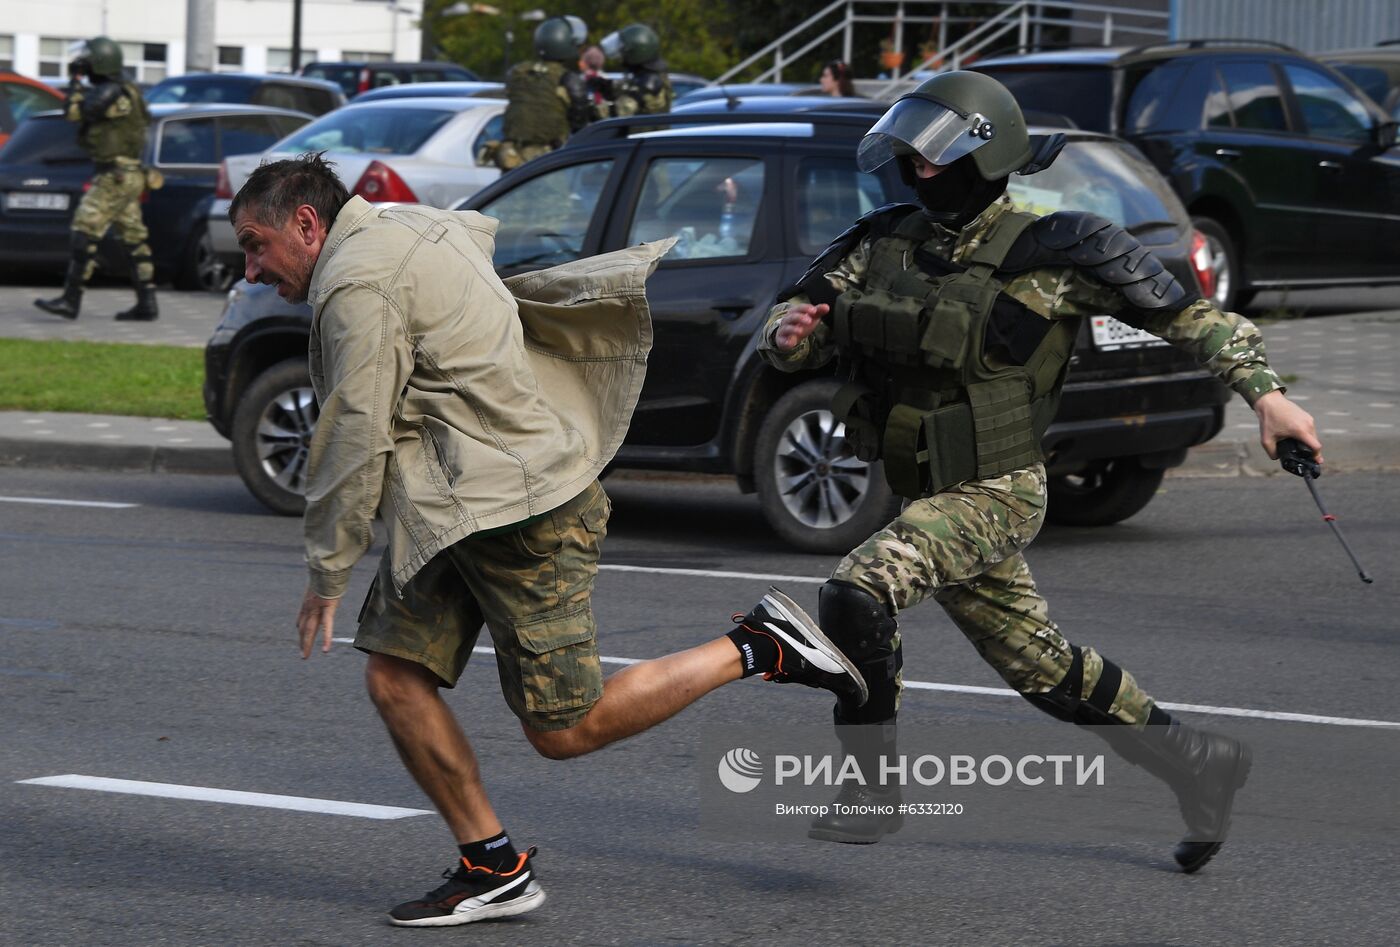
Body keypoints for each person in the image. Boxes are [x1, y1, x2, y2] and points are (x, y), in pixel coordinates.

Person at [228, 153, 865, 927]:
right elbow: (478, 236)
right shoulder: (405, 223)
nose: (252, 267)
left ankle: (756, 645)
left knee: (564, 729)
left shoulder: (356, 282)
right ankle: (491, 866)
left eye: (256, 244)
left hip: (520, 511)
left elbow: (353, 432)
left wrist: (326, 572)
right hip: (454, 506)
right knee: (395, 677)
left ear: (306, 223)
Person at [760, 71, 1322, 872]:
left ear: (982, 159)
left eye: (932, 160)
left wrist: (1269, 399)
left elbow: (1191, 319)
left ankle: (872, 786)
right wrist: (791, 336)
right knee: (1044, 670)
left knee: (856, 589)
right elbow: (795, 330)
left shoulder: (1056, 248)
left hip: (997, 487)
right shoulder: (884, 240)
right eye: (911, 160)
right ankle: (1196, 759)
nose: (919, 174)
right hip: (927, 483)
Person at [35, 36, 159, 322]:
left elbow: (75, 113)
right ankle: (147, 303)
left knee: (84, 230)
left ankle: (70, 299)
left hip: (115, 176)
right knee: (133, 238)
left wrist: (75, 81)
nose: (84, 66)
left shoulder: (111, 92)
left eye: (87, 61)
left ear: (99, 62)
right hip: (127, 174)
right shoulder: (127, 88)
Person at [492, 16, 592, 171]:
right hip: (547, 160)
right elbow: (580, 120)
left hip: (511, 156)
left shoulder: (518, 72)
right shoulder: (568, 79)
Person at [599, 23, 672, 117]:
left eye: (623, 50)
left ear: (637, 52)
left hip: (644, 131)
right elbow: (627, 90)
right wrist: (607, 86)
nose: (621, 55)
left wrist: (596, 110)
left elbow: (623, 110)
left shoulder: (650, 82)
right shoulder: (646, 75)